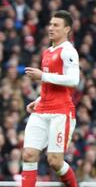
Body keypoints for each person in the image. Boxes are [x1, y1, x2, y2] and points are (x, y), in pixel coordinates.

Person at [22, 10, 80, 187]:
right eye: (50, 24)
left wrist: (42, 76)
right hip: (42, 109)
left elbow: (73, 80)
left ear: (67, 29)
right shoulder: (48, 51)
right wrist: (39, 99)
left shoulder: (68, 51)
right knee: (28, 154)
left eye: (56, 25)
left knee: (54, 161)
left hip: (60, 112)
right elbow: (52, 82)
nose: (51, 28)